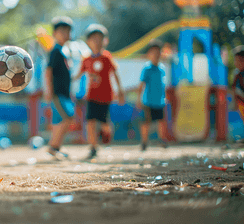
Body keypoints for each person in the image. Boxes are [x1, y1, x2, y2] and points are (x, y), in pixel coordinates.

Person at [73, 24, 124, 159]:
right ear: (88, 41)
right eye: (93, 38)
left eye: (99, 38)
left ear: (104, 41)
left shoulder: (107, 57)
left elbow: (115, 74)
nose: (96, 41)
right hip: (91, 96)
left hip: (106, 96)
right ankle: (93, 147)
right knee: (90, 121)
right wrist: (68, 80)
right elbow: (79, 74)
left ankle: (106, 134)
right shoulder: (86, 59)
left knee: (104, 122)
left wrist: (120, 92)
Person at [44, 17, 75, 159]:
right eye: (61, 31)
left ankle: (54, 148)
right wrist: (49, 91)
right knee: (67, 118)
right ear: (55, 33)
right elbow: (48, 71)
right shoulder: (55, 50)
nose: (65, 34)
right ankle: (53, 146)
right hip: (57, 93)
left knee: (59, 121)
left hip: (65, 93)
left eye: (67, 31)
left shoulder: (64, 51)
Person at [136, 40, 167, 151]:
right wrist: (138, 100)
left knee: (161, 121)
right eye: (153, 52)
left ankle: (162, 140)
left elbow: (163, 85)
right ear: (149, 54)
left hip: (160, 101)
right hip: (148, 101)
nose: (156, 55)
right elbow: (141, 85)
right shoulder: (147, 68)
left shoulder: (162, 68)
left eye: (158, 52)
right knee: (146, 122)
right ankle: (144, 142)